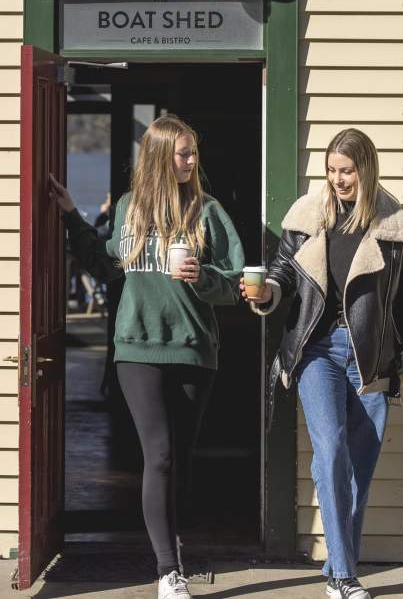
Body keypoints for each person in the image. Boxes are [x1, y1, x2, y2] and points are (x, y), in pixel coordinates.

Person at [50, 114, 244, 599]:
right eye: (184, 153)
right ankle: (167, 570)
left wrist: (204, 277)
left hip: (194, 347)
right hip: (137, 346)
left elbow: (236, 283)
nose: (193, 160)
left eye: (194, 152)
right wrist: (73, 216)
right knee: (157, 456)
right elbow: (104, 263)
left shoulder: (209, 212)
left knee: (179, 460)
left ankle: (171, 540)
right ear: (160, 156)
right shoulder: (129, 210)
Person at [241, 128, 403, 599]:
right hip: (317, 351)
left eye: (346, 171)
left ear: (366, 168)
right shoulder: (308, 215)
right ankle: (346, 577)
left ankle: (336, 568)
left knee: (358, 470)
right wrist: (267, 292)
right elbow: (285, 270)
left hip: (371, 360)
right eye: (331, 171)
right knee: (330, 453)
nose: (338, 180)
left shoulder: (396, 225)